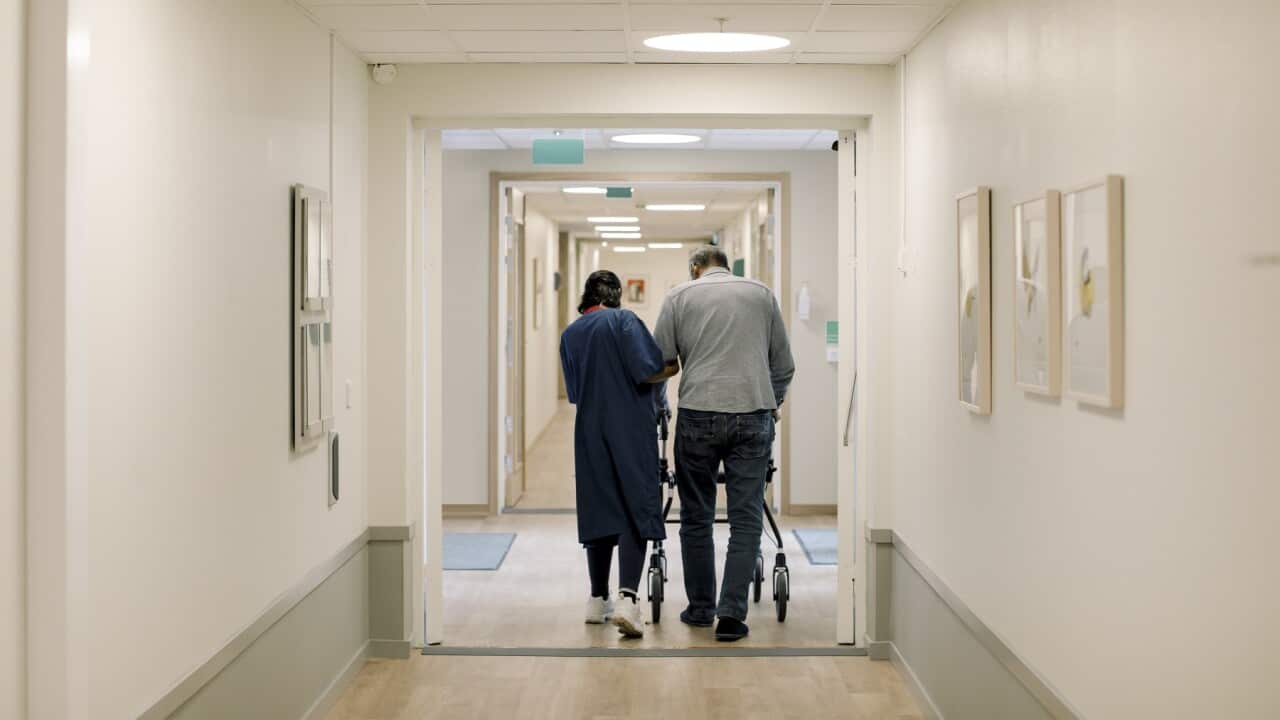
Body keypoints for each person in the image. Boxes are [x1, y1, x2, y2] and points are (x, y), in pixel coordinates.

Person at [651, 245, 795, 642]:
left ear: (696, 268)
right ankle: (732, 615)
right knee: (746, 517)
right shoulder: (761, 294)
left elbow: (662, 361)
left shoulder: (679, 296)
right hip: (753, 413)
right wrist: (772, 402)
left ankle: (700, 609)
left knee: (696, 516)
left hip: (698, 412)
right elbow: (783, 365)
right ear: (727, 267)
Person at [559, 270, 668, 639]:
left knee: (599, 507)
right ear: (617, 296)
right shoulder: (624, 321)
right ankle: (627, 599)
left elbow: (574, 392)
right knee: (635, 507)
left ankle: (596, 599)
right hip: (631, 429)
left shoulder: (570, 334)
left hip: (589, 431)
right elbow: (652, 369)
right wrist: (673, 365)